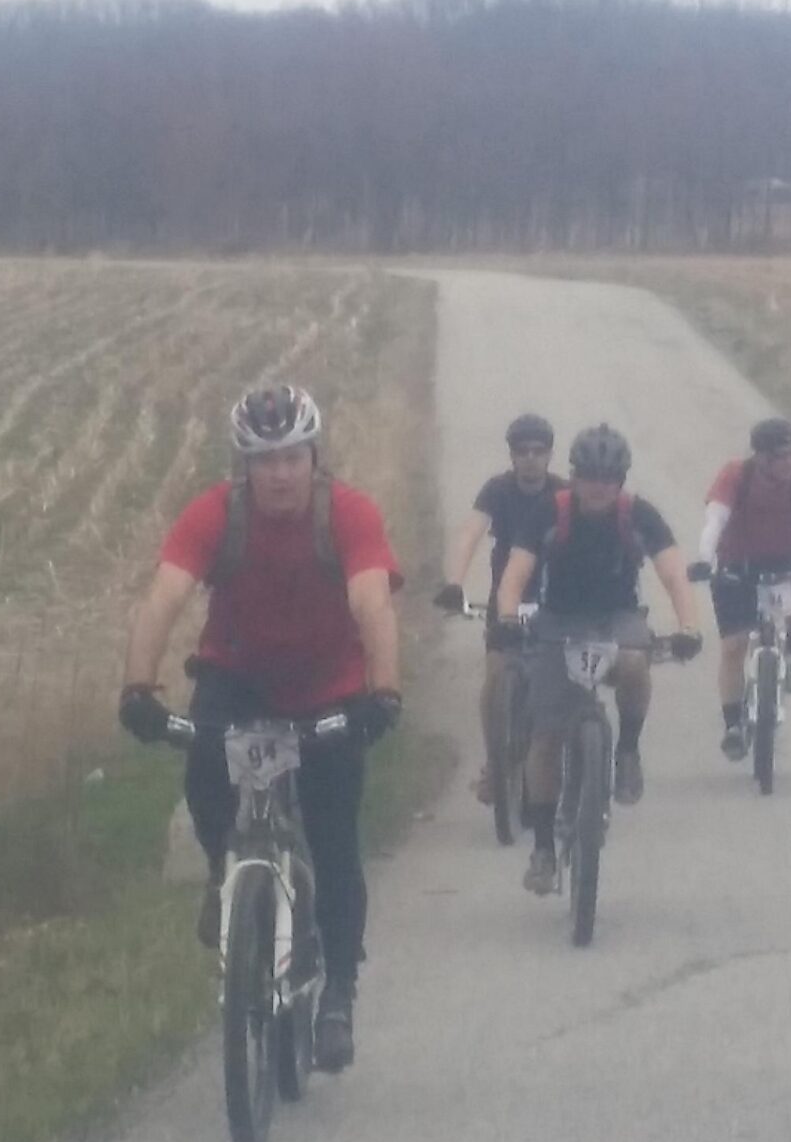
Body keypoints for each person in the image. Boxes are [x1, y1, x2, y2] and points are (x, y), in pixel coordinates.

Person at [117, 384, 403, 1074]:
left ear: (314, 456)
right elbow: (166, 595)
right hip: (237, 677)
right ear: (242, 465)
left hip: (330, 686)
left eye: (292, 457)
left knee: (335, 844)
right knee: (206, 781)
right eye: (263, 459)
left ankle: (338, 990)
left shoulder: (350, 515)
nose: (279, 472)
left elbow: (371, 599)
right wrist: (138, 686)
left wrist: (384, 692)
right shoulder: (216, 515)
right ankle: (228, 873)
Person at [489, 424, 703, 894]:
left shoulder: (639, 515)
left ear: (622, 479)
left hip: (618, 616)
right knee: (544, 738)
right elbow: (516, 570)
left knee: (634, 662)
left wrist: (688, 626)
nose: (599, 486)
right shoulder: (551, 510)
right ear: (576, 476)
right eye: (589, 475)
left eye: (610, 477)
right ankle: (543, 846)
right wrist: (507, 614)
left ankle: (627, 750)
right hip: (558, 621)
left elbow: (673, 574)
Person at [686, 416, 791, 760]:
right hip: (736, 564)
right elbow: (715, 519)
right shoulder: (735, 475)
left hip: (783, 560)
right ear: (760, 457)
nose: (789, 462)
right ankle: (733, 725)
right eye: (780, 456)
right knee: (734, 646)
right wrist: (703, 560)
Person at [434, 413, 563, 803]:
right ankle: (495, 763)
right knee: (495, 679)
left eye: (538, 451)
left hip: (554, 601)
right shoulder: (497, 490)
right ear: (511, 454)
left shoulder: (564, 495)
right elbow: (470, 533)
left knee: (562, 684)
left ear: (550, 455)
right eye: (522, 451)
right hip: (505, 601)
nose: (530, 459)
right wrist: (455, 583)